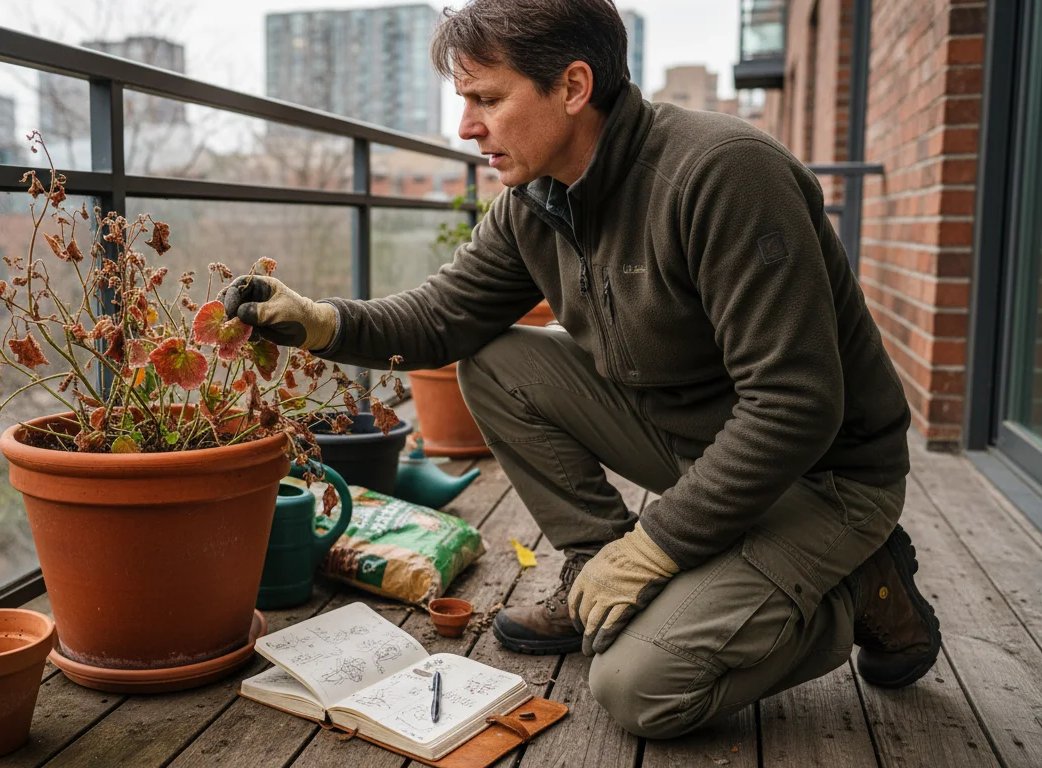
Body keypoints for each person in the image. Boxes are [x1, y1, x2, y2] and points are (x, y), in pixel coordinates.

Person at [221, 0, 940, 739]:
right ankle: (594, 570)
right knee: (497, 360)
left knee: (642, 689)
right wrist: (319, 321)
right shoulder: (537, 198)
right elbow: (444, 319)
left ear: (571, 86)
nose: (466, 127)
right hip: (697, 445)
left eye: (487, 99)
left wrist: (654, 548)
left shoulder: (723, 175)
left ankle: (859, 589)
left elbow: (795, 405)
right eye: (464, 102)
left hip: (825, 475)